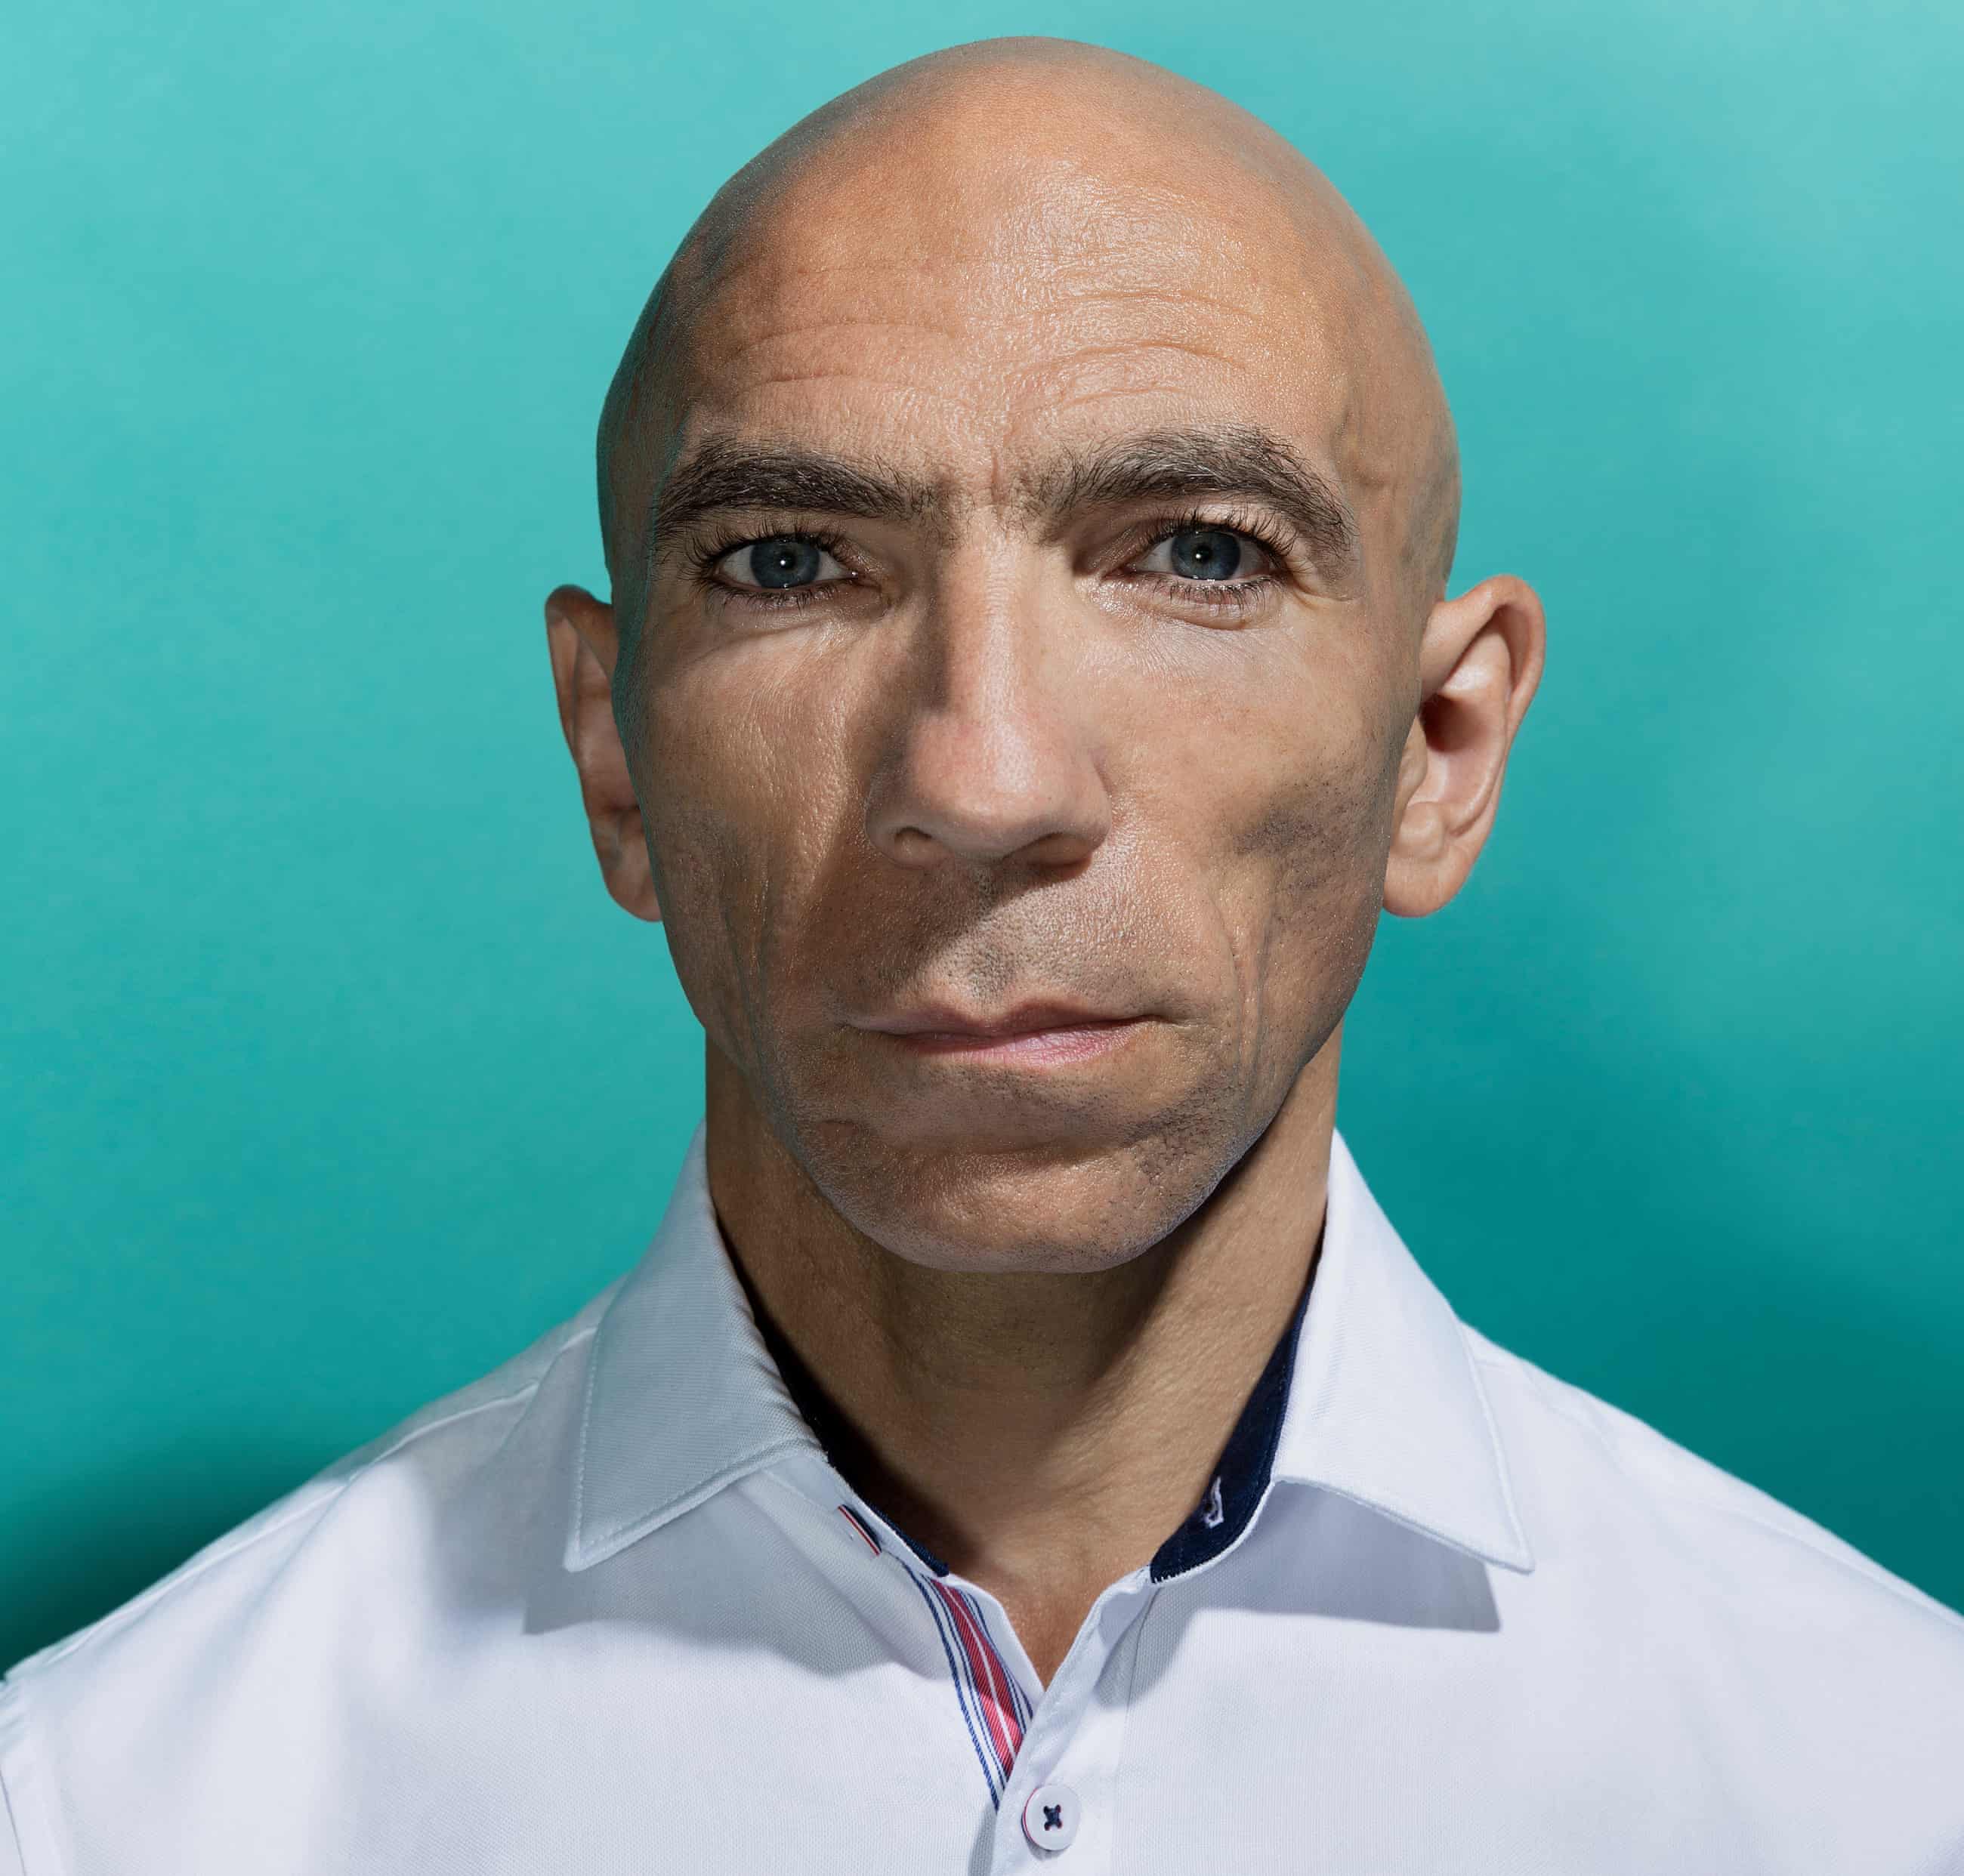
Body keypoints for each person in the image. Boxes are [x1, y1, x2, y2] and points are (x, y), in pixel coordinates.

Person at [5, 33, 1959, 1875]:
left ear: (1439, 753)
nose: (985, 771)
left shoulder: (1883, 1779)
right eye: (791, 561)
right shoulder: (111, 1804)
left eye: (1195, 551)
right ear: (614, 756)